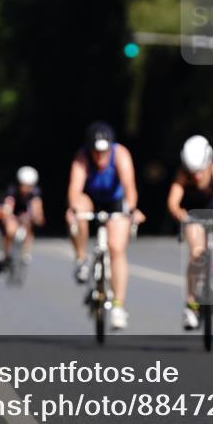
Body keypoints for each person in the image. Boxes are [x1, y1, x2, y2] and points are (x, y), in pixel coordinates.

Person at [66, 122, 145, 330]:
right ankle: (81, 258)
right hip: (91, 199)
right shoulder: (82, 158)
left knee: (116, 247)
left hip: (115, 201)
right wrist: (73, 210)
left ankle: (118, 306)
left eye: (104, 151)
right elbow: (75, 190)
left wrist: (132, 209)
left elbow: (129, 186)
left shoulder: (120, 154)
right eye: (96, 152)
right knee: (77, 210)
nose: (100, 156)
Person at [167, 135, 213, 331]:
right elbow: (173, 202)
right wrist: (180, 215)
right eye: (193, 172)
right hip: (194, 217)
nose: (197, 176)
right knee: (196, 252)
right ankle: (191, 304)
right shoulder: (183, 176)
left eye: (200, 171)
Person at [3, 166, 45, 264]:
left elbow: (37, 206)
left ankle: (26, 252)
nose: (26, 188)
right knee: (10, 230)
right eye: (24, 185)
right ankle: (7, 253)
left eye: (29, 186)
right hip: (14, 213)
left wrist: (37, 217)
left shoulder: (35, 192)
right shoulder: (12, 189)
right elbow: (8, 205)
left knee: (28, 226)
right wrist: (8, 215)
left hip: (26, 214)